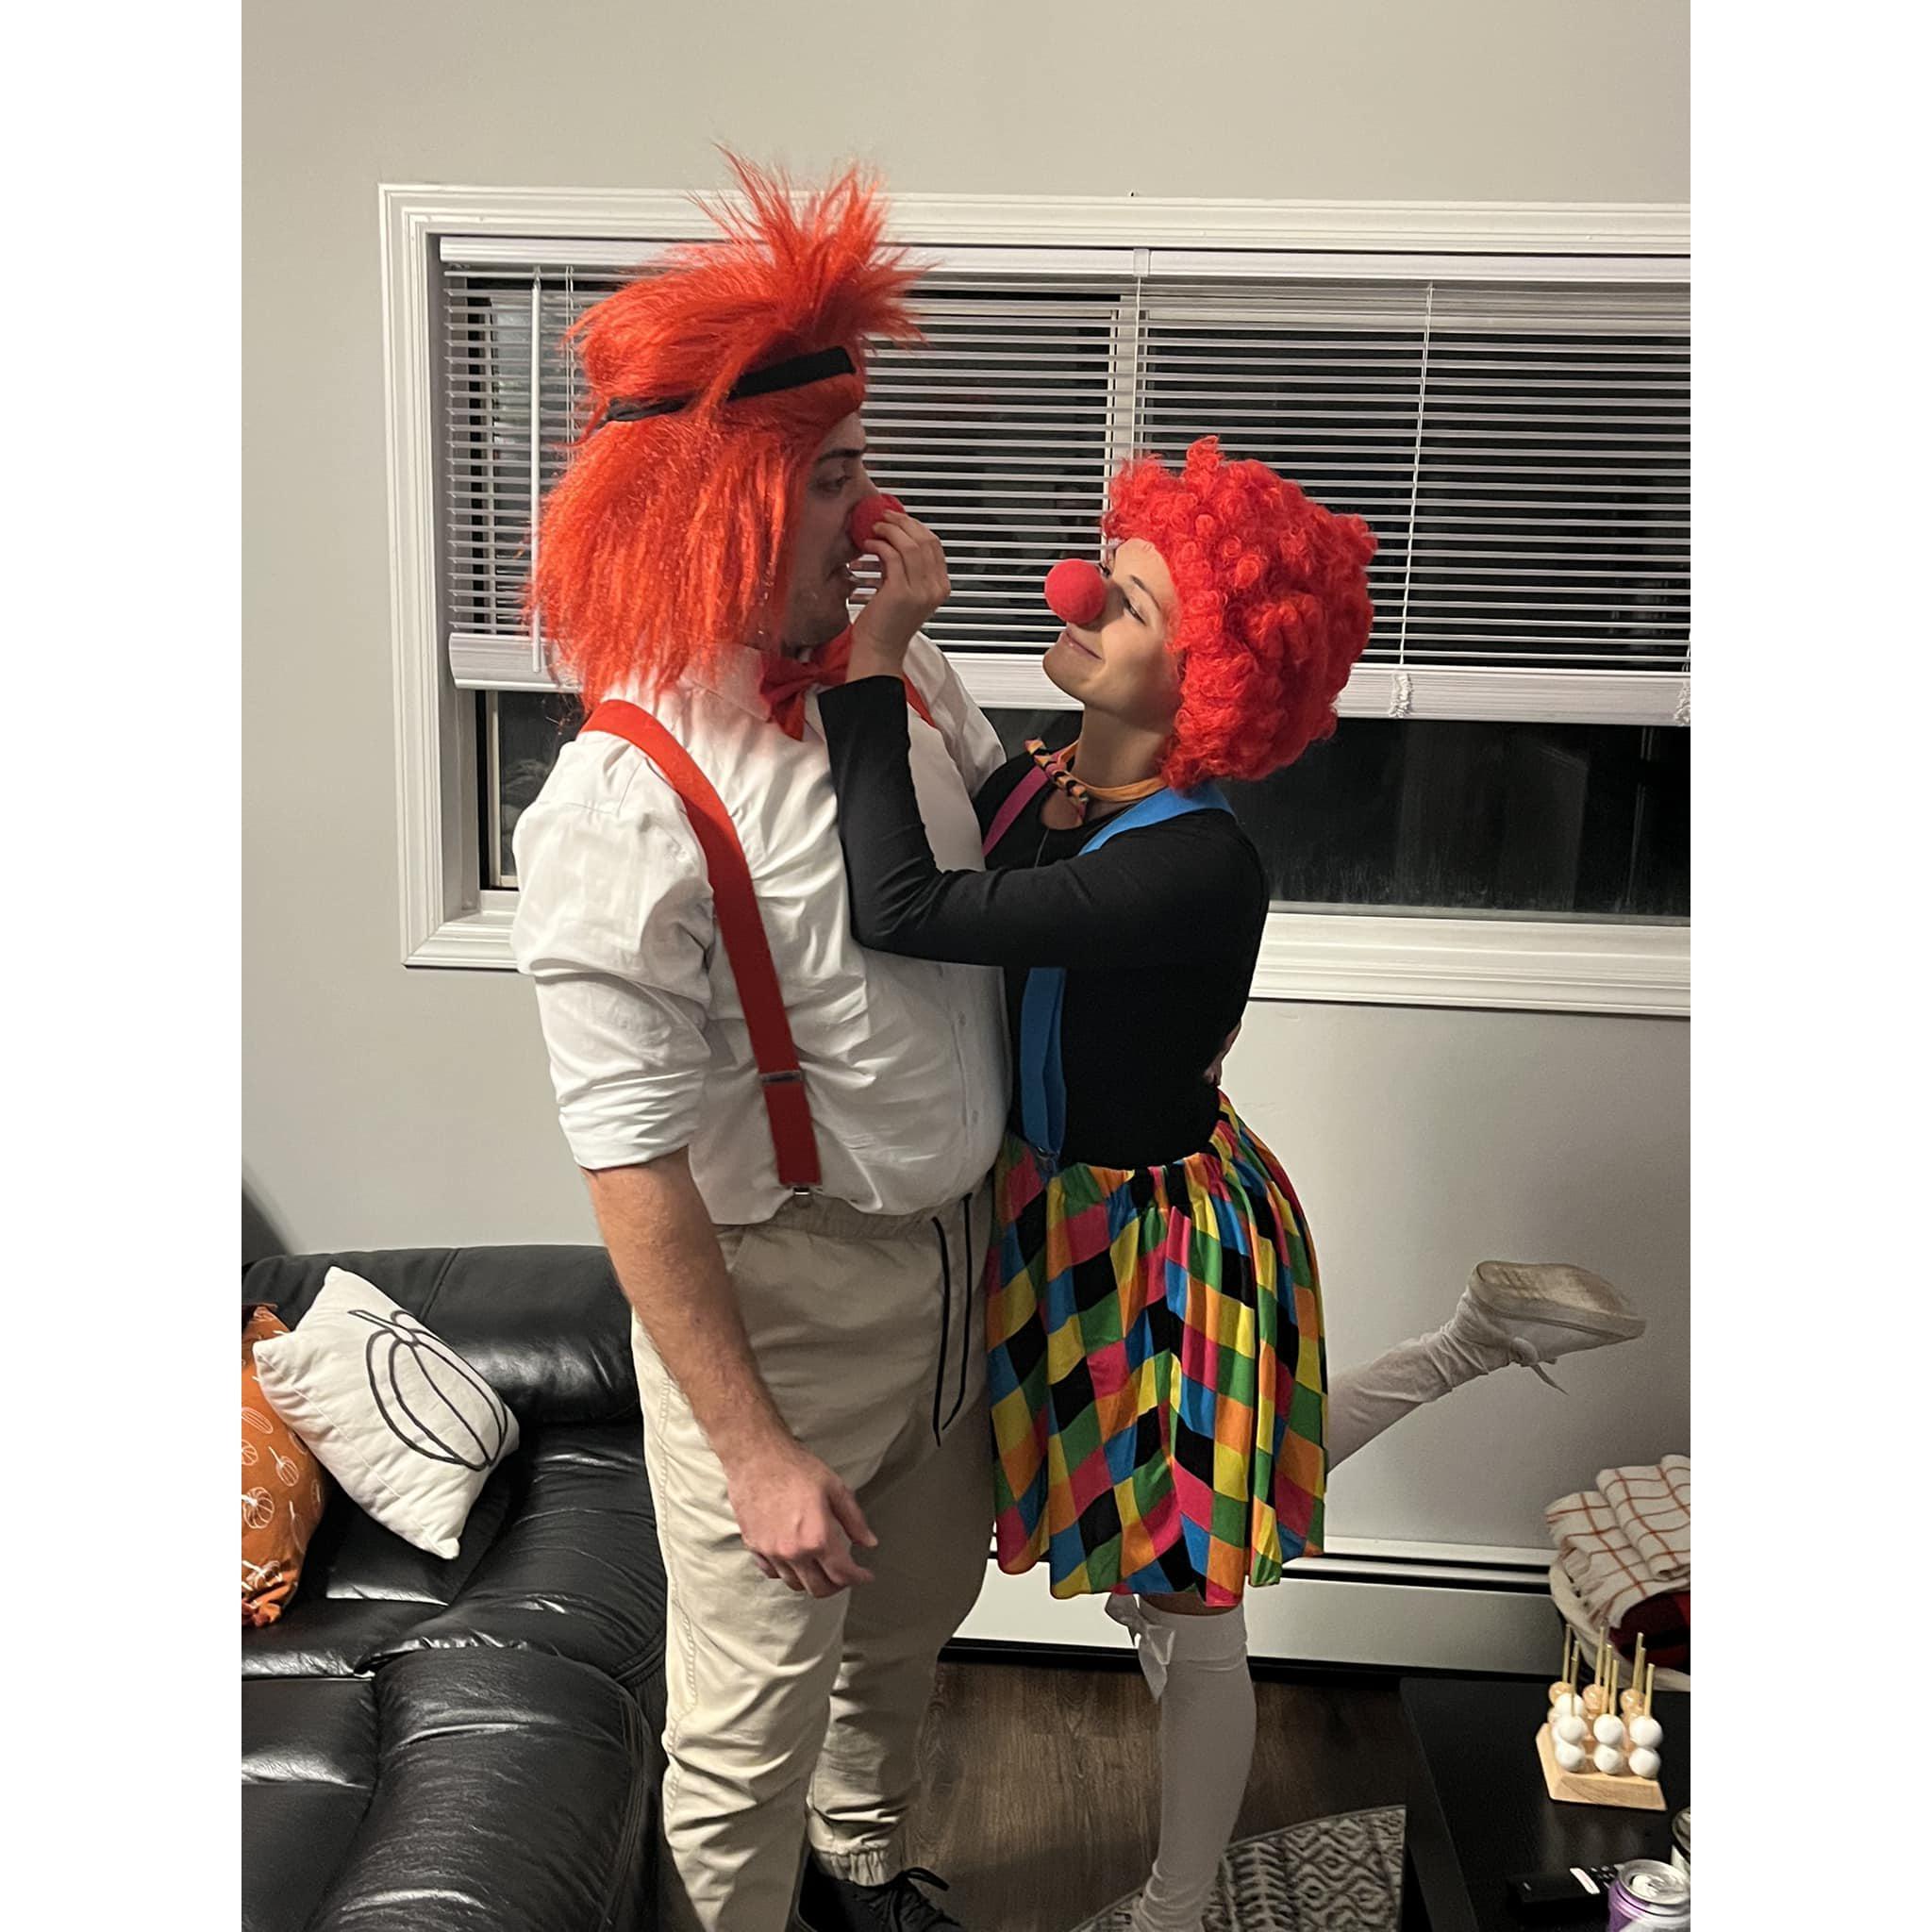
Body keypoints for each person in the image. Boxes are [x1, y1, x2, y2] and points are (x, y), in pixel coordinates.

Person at [818, 439, 1644, 1932]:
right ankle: (1472, 1341)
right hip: (1054, 1221)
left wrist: (873, 665)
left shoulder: (1197, 863)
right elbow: (957, 805)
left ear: (1207, 681)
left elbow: (902, 906)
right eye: (1107, 572)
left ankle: (1179, 1904)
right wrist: (884, 620)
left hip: (1163, 1249)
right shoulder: (1054, 784)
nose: (1077, 596)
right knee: (1202, 1499)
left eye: (1127, 602)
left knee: (1189, 1603)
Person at [511, 158, 1011, 1932]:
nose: (878, 512)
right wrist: (751, 1447)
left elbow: (998, 885)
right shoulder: (624, 798)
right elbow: (627, 1160)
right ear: (725, 501)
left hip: (960, 1267)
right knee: (744, 1740)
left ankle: (863, 1881)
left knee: (910, 1626)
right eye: (837, 475)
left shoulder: (902, 673)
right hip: (784, 1305)